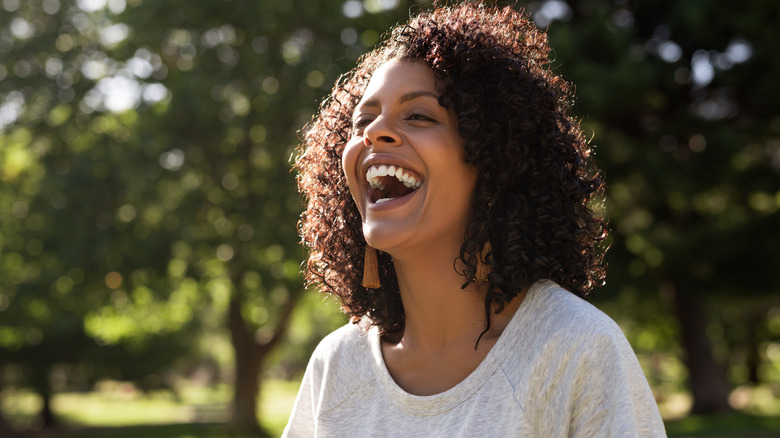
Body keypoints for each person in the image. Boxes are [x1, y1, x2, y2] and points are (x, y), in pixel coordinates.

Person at [285, 1, 666, 436]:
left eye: (419, 115)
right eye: (363, 121)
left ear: (494, 160)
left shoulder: (576, 348)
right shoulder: (336, 366)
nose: (373, 133)